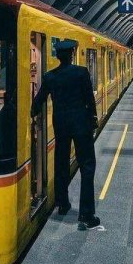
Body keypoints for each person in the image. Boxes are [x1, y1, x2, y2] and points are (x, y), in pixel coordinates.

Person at [32, 39, 100, 229]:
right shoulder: (81, 73)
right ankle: (86, 214)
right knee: (87, 166)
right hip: (81, 125)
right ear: (71, 54)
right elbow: (89, 99)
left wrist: (32, 114)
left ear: (58, 56)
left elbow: (38, 101)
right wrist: (93, 119)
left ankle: (62, 204)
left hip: (61, 125)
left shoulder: (49, 77)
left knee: (61, 164)